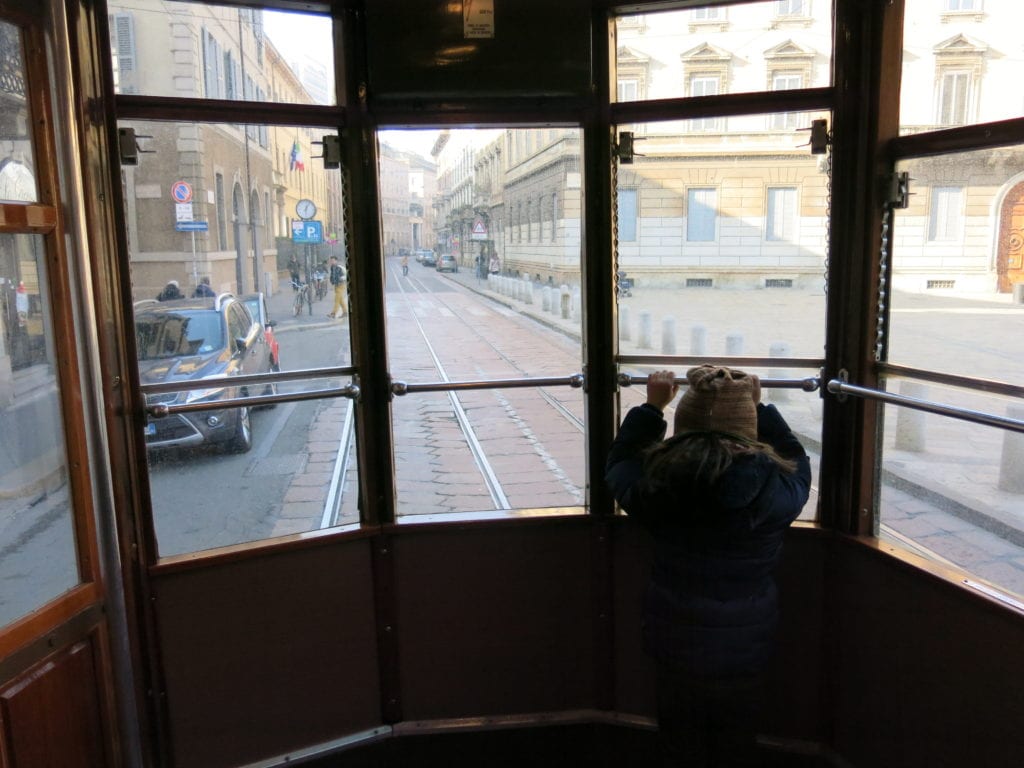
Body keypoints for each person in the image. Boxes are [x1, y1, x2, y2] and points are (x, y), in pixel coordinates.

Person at [605, 366, 811, 768]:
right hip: (746, 646)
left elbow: (620, 463)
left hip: (675, 642)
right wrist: (761, 408)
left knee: (679, 736)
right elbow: (797, 460)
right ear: (748, 430)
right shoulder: (776, 489)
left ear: (684, 427)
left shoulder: (658, 482)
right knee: (736, 737)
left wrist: (651, 408)